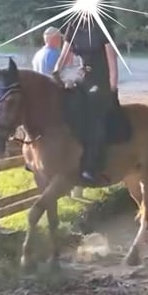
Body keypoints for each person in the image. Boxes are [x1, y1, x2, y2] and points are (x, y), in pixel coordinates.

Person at [53, 21, 119, 184]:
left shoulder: (102, 28)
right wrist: (56, 73)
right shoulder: (73, 27)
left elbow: (112, 58)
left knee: (95, 118)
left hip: (100, 79)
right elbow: (64, 55)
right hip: (82, 78)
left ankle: (93, 167)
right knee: (63, 109)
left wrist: (112, 86)